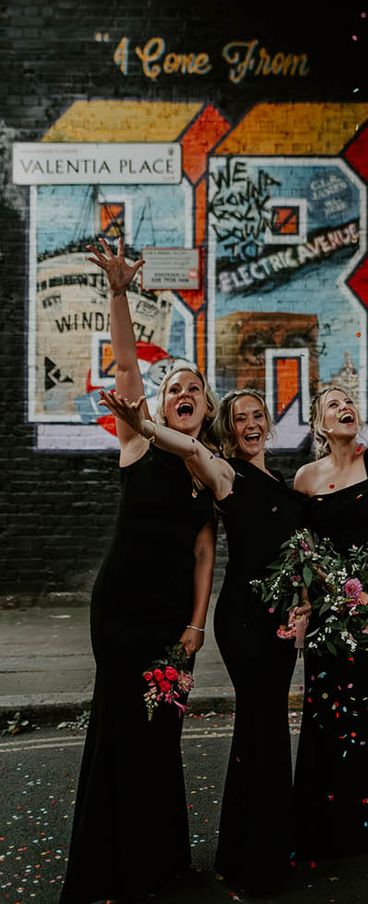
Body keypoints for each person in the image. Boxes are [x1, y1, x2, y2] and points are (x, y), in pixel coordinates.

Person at [101, 385, 308, 895]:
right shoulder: (225, 472)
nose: (251, 424)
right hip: (245, 621)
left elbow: (296, 553)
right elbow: (191, 447)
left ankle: (245, 853)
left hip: (280, 622)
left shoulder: (279, 482)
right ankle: (256, 864)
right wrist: (145, 426)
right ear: (230, 431)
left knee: (265, 731)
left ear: (268, 424)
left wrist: (304, 603)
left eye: (257, 416)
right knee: (264, 729)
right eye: (240, 419)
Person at [60, 237, 217, 904]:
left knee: (163, 734)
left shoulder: (207, 471)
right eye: (174, 387)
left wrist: (196, 625)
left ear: (205, 409)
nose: (184, 393)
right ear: (161, 403)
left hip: (171, 621)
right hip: (121, 612)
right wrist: (120, 292)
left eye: (194, 389)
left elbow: (205, 553)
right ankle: (109, 866)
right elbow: (127, 362)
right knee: (122, 728)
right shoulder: (138, 441)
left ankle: (157, 861)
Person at [291, 323, 368, 859]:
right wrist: (305, 603)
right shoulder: (306, 479)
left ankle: (366, 820)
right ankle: (321, 818)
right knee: (326, 703)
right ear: (320, 423)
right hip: (327, 605)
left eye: (348, 403)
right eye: (333, 404)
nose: (346, 408)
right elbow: (302, 552)